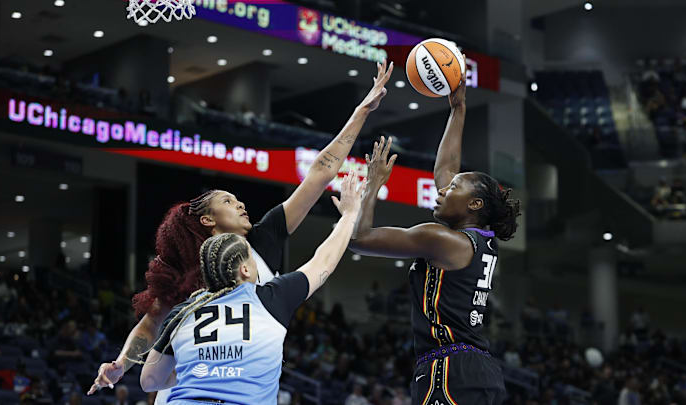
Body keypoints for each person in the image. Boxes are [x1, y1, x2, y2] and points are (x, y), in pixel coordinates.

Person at [88, 61, 393, 400]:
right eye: (229, 201)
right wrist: (121, 363)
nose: (241, 204)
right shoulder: (183, 272)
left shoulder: (265, 237)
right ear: (207, 220)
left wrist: (361, 112)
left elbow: (319, 173)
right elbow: (148, 326)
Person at [349, 67, 521, 405]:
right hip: (478, 370)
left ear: (474, 203)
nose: (441, 190)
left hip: (449, 368)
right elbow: (446, 169)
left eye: (453, 188)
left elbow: (360, 238)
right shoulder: (481, 238)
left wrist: (372, 187)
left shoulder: (441, 240)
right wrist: (458, 109)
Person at [138, 171, 363, 404]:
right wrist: (350, 214)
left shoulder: (181, 313)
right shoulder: (271, 299)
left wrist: (197, 374)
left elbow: (149, 381)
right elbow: (324, 262)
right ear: (245, 269)